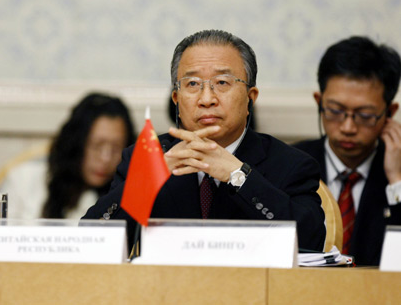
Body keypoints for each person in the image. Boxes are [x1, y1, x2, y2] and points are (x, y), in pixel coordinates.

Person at [82, 30, 326, 252]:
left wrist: (238, 175)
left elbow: (310, 241)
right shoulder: (147, 156)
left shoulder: (291, 164)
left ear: (251, 98)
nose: (206, 98)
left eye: (222, 83)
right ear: (177, 99)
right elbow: (91, 243)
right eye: (193, 84)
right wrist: (147, 181)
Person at [293, 36, 401, 266]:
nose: (348, 127)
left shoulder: (397, 171)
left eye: (365, 116)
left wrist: (396, 182)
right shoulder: (290, 163)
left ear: (390, 112)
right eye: (335, 110)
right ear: (318, 101)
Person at [2, 93, 135, 220]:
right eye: (96, 145)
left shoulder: (128, 195)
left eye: (117, 148)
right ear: (76, 143)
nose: (105, 158)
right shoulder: (24, 180)